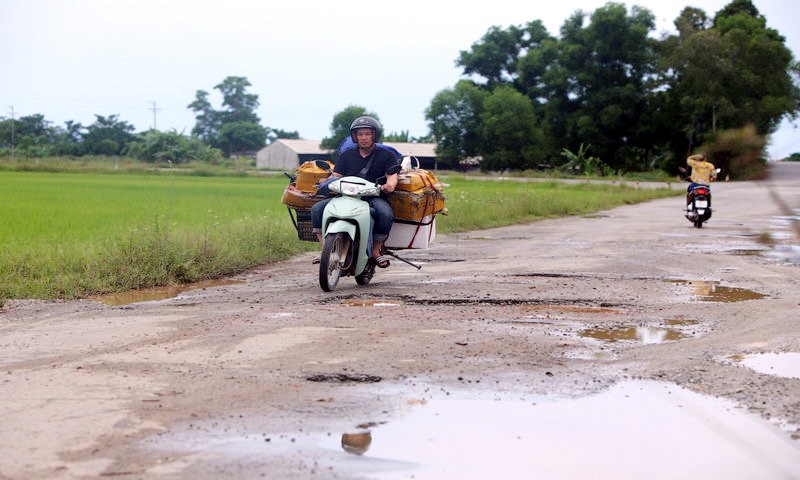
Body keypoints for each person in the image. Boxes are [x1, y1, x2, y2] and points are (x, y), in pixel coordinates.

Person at [311, 116, 399, 268]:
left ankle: (376, 250)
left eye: (367, 134)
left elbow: (392, 176)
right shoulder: (347, 155)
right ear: (355, 136)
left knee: (385, 214)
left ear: (374, 135)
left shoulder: (386, 156)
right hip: (346, 196)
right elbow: (336, 176)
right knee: (317, 209)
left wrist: (389, 185)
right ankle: (326, 249)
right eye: (360, 134)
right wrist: (326, 182)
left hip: (372, 197)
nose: (363, 138)